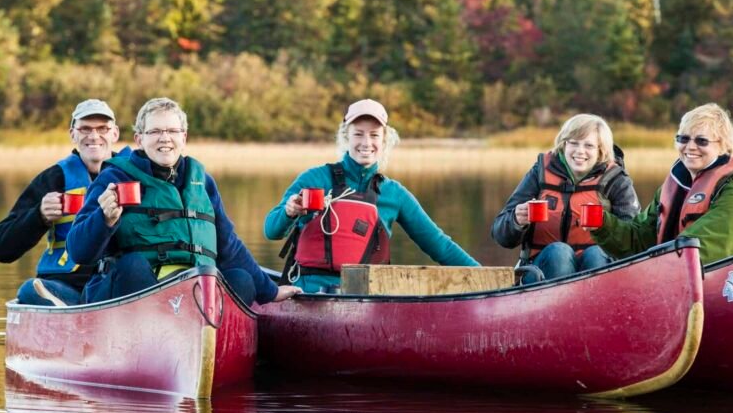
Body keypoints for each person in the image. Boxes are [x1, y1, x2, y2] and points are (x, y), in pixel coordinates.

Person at [66, 97, 298, 306]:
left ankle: (210, 334)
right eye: (155, 131)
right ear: (139, 139)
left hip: (193, 295)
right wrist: (104, 218)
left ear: (183, 137)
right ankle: (158, 331)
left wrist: (270, 291)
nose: (164, 138)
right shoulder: (114, 178)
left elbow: (229, 245)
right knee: (132, 265)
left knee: (241, 280)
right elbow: (78, 251)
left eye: (172, 131)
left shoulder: (202, 182)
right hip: (135, 294)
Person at [263, 98, 480, 293]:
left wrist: (486, 277)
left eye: (374, 135)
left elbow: (440, 246)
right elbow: (271, 230)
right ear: (346, 137)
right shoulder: (315, 178)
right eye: (358, 134)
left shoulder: (394, 194)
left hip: (365, 301)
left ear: (384, 140)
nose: (366, 143)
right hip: (307, 294)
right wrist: (289, 212)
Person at [591, 103, 733, 265]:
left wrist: (657, 267)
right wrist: (599, 222)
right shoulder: (673, 186)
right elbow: (638, 242)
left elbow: (699, 251)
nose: (690, 146)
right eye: (683, 138)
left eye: (702, 141)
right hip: (678, 278)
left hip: (727, 286)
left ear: (724, 146)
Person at [0, 99, 123, 306]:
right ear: (73, 134)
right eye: (85, 129)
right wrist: (39, 216)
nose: (94, 136)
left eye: (102, 129)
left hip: (116, 283)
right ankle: (66, 310)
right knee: (29, 290)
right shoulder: (54, 179)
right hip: (66, 286)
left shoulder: (134, 174)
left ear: (115, 133)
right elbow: (1, 248)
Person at [491, 113, 640, 281]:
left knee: (596, 254)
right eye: (573, 143)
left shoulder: (617, 180)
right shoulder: (539, 173)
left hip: (597, 268)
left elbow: (634, 240)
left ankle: (591, 297)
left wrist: (607, 227)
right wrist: (516, 221)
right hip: (540, 271)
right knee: (559, 252)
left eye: (589, 145)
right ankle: (561, 297)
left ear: (601, 150)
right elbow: (501, 235)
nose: (580, 151)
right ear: (564, 144)